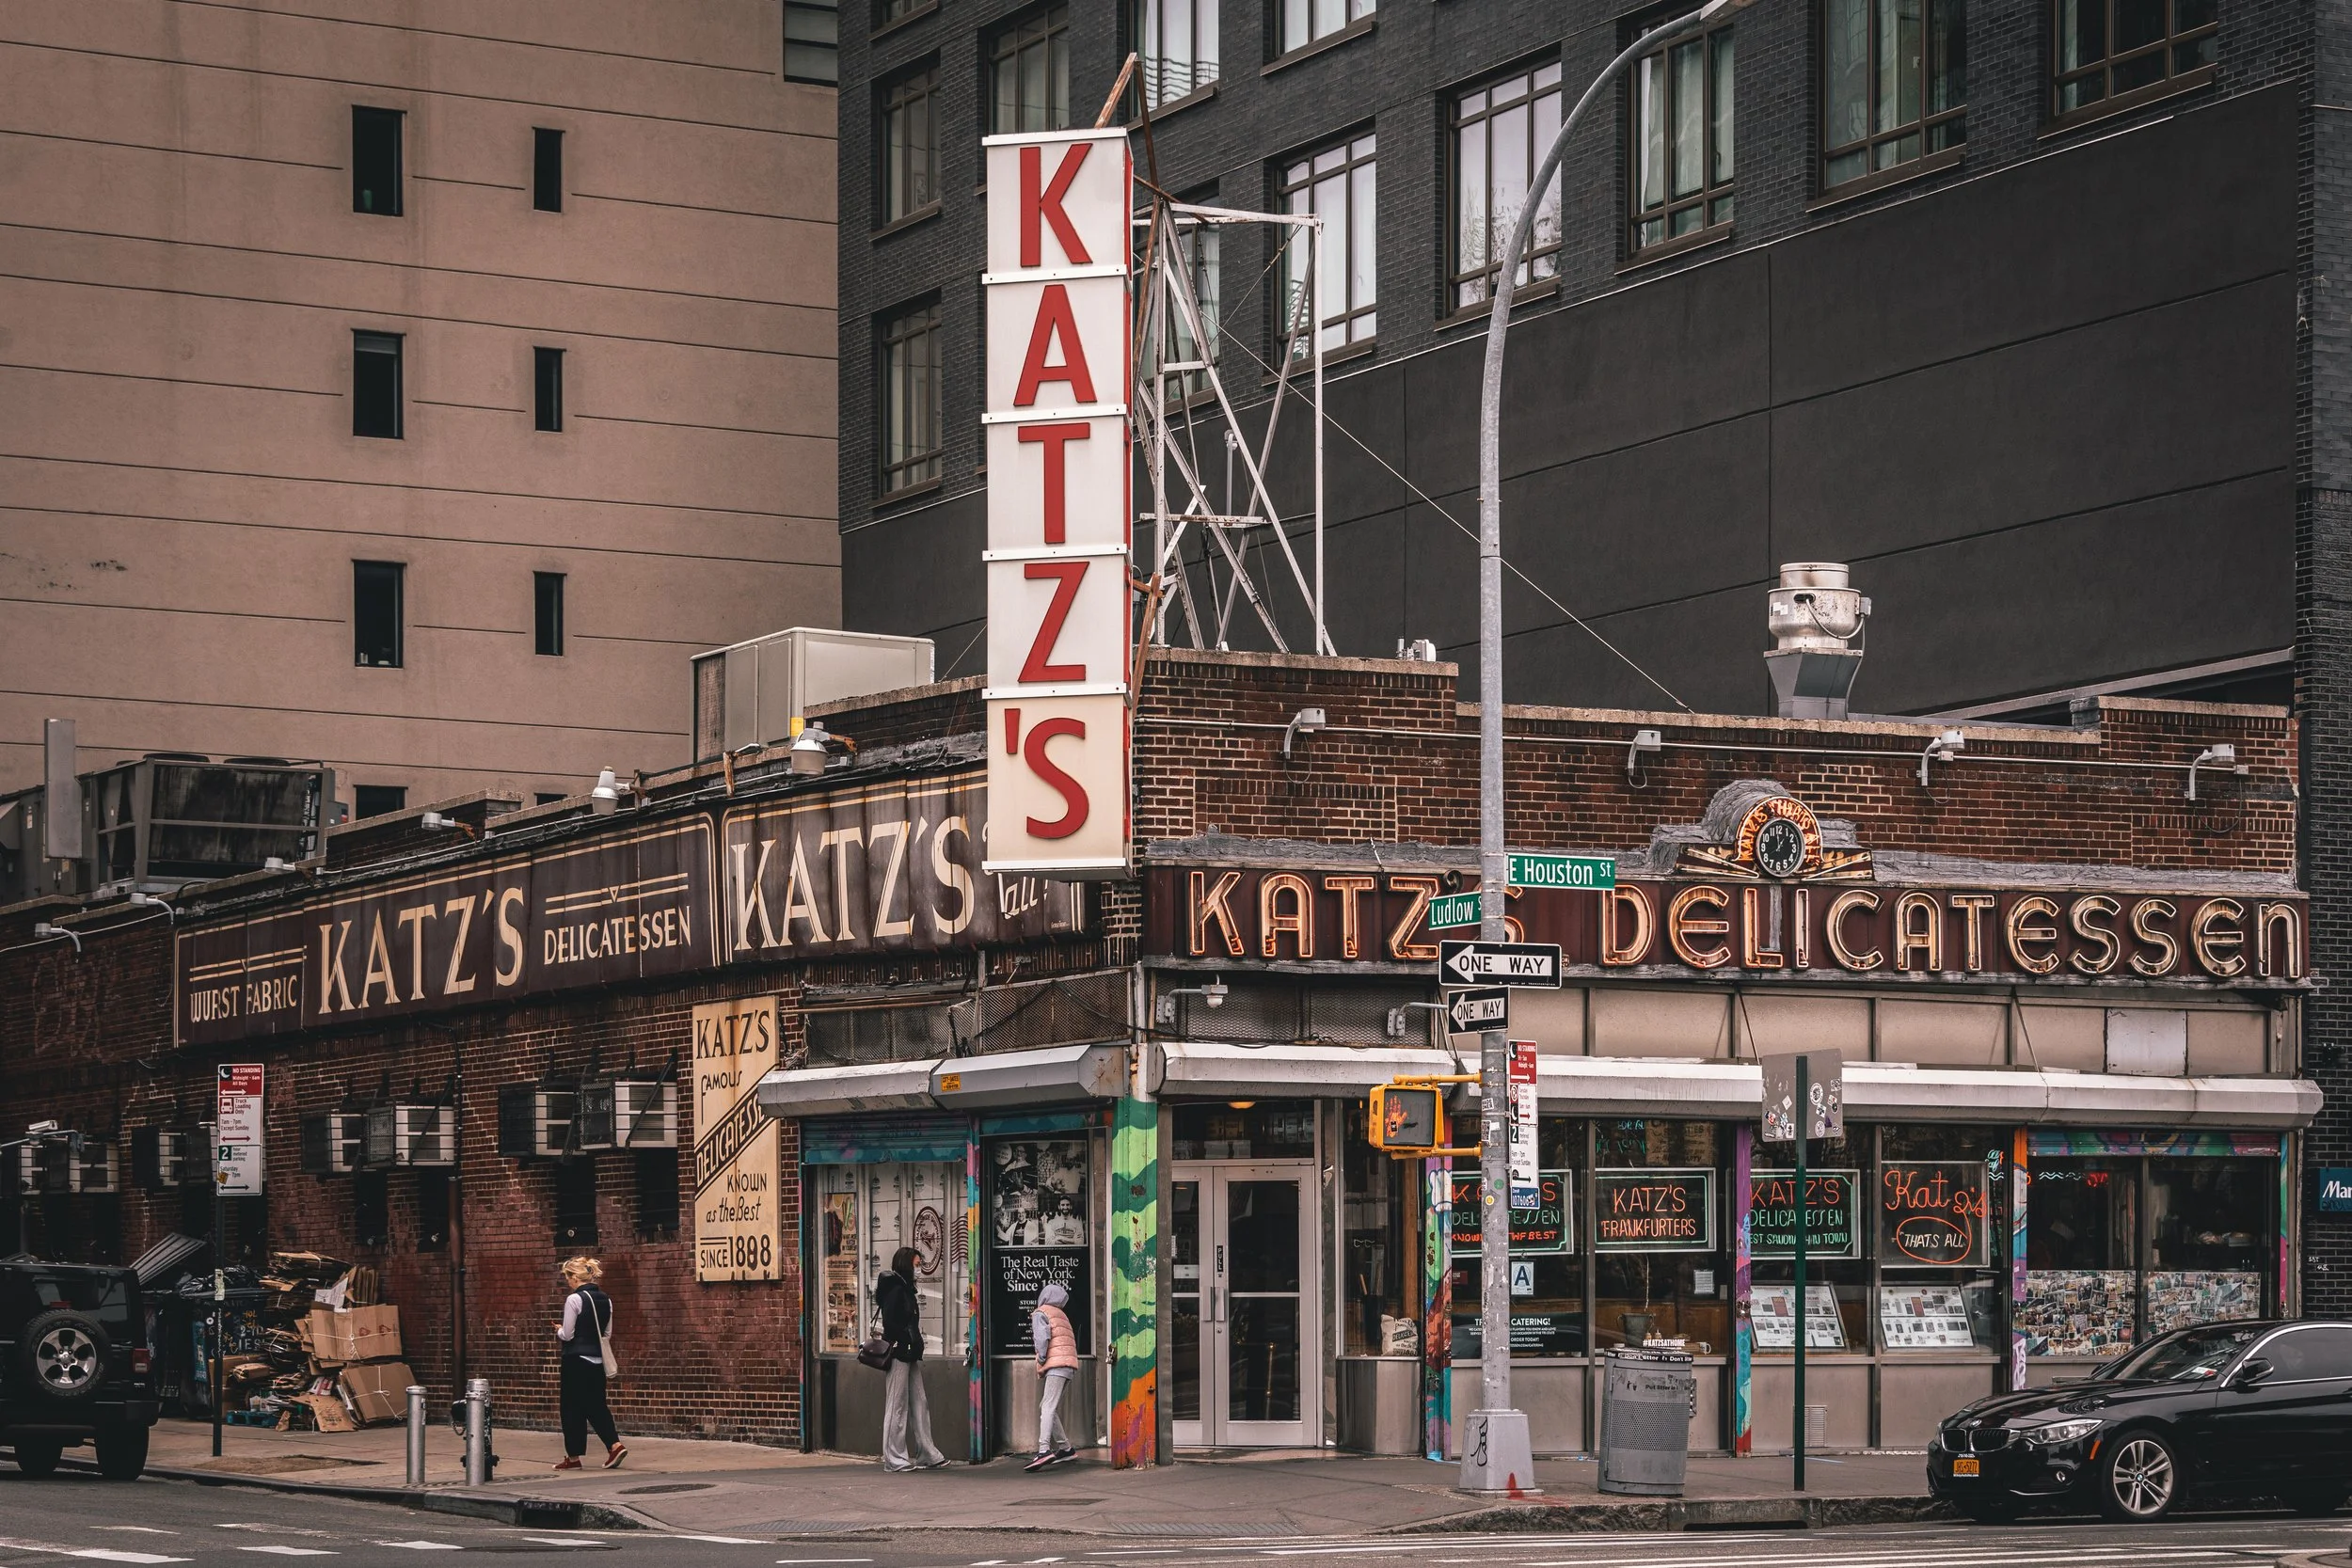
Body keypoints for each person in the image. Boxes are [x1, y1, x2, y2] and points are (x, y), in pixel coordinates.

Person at [876, 1245, 946, 1472]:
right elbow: (891, 1324)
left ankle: (928, 1453)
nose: (919, 1269)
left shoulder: (905, 1289)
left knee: (919, 1402)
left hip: (909, 1353)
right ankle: (894, 1459)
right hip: (899, 1353)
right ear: (907, 1265)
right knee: (897, 1406)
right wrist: (907, 1340)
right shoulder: (897, 1290)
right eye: (917, 1265)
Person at [551, 1256, 626, 1471]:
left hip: (576, 1360)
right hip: (597, 1361)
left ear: (575, 1277)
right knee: (596, 1404)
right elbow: (607, 1333)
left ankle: (573, 1458)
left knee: (571, 1407)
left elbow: (567, 1334)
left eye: (568, 1277)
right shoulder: (606, 1299)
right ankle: (615, 1445)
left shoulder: (574, 1300)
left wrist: (557, 1329)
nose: (567, 1282)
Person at [1024, 1281, 1079, 1471]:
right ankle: (1065, 1449)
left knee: (1047, 1406)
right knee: (1049, 1406)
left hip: (1056, 1365)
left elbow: (1042, 1339)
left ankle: (1044, 1450)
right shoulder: (1061, 1315)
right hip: (1068, 1366)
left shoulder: (1041, 1313)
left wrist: (1042, 1358)